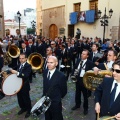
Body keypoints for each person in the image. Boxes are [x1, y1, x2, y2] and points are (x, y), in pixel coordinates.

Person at [43, 56, 67, 120]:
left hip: (55, 103)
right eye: (48, 62)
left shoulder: (61, 75)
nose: (49, 64)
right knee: (47, 117)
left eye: (51, 62)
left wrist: (57, 99)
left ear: (56, 63)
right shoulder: (45, 72)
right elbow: (45, 86)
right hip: (45, 102)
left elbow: (64, 91)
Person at [71, 49, 94, 115]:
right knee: (77, 93)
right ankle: (77, 105)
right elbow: (75, 68)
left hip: (85, 80)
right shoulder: (78, 60)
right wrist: (72, 74)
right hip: (78, 79)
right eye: (82, 53)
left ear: (87, 56)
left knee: (85, 96)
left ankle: (85, 108)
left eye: (84, 54)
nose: (82, 55)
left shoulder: (90, 63)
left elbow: (92, 72)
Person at [10, 53, 32, 118]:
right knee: (19, 98)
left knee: (26, 98)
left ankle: (29, 110)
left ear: (26, 59)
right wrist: (9, 70)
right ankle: (23, 108)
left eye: (22, 58)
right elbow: (13, 68)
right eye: (20, 58)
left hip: (25, 85)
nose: (21, 60)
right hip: (18, 85)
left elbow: (26, 75)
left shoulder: (28, 66)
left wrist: (17, 72)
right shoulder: (19, 64)